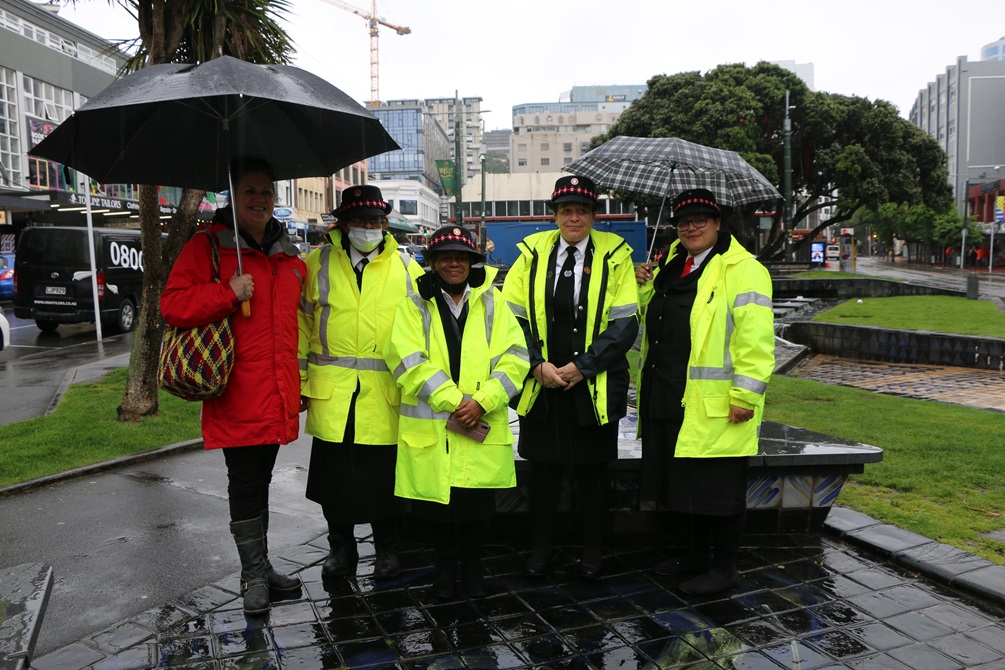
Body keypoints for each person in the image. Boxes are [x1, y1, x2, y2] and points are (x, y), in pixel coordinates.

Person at [161, 158, 306, 614]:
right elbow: (173, 306)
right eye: (250, 191)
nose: (260, 199)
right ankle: (252, 578)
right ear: (232, 196)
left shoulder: (287, 254)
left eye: (266, 191)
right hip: (237, 391)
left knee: (260, 481)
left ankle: (261, 568)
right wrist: (228, 292)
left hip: (278, 391)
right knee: (244, 483)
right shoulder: (207, 247)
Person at [635, 188, 774, 595]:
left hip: (716, 403)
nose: (690, 227)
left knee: (720, 489)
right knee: (682, 486)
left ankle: (725, 566)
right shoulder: (671, 265)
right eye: (683, 220)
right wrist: (644, 285)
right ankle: (695, 556)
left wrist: (745, 395)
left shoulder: (743, 269)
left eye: (700, 219)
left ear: (717, 223)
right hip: (668, 394)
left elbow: (757, 341)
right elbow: (657, 322)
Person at [501, 175, 639, 580]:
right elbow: (512, 318)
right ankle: (541, 548)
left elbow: (625, 322)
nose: (573, 218)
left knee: (593, 475)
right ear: (555, 215)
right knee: (543, 474)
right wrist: (536, 364)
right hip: (543, 382)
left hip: (592, 384)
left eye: (582, 210)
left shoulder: (616, 256)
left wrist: (584, 366)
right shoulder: (530, 253)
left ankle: (593, 551)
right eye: (566, 210)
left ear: (594, 215)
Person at [384, 226, 529, 598]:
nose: (453, 263)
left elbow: (515, 358)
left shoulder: (492, 303)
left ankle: (474, 567)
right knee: (439, 508)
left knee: (475, 505)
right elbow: (407, 359)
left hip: (479, 419)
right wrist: (454, 401)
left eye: (461, 257)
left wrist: (484, 400)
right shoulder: (413, 304)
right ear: (431, 263)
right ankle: (446, 567)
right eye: (445, 256)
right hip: (435, 427)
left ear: (471, 262)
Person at [299, 184, 424, 581]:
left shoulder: (406, 268)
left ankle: (387, 547)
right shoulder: (315, 264)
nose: (367, 228)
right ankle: (341, 547)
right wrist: (300, 379)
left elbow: (425, 328)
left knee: (382, 477)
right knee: (333, 479)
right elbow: (301, 326)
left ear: (385, 223)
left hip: (384, 392)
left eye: (374, 221)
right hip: (331, 391)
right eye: (359, 221)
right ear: (343, 223)